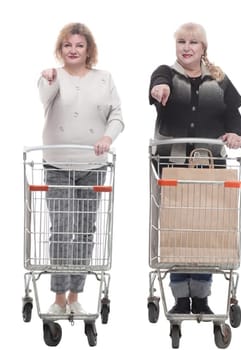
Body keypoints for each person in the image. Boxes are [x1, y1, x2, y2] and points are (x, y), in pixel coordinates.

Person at [149, 22, 241, 314]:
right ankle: (180, 297)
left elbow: (233, 113)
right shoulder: (166, 74)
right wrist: (160, 87)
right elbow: (158, 79)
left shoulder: (219, 79)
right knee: (178, 227)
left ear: (203, 48)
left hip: (209, 163)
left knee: (205, 228)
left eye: (193, 43)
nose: (186, 48)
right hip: (173, 164)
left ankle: (201, 297)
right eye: (181, 42)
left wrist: (234, 133)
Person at [38, 22, 124, 315]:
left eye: (79, 45)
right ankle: (59, 298)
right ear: (60, 49)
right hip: (58, 164)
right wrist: (48, 78)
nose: (73, 50)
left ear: (89, 50)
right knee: (62, 228)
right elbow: (44, 97)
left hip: (92, 165)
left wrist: (106, 137)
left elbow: (117, 116)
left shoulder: (104, 78)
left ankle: (76, 296)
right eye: (67, 45)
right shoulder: (53, 76)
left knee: (86, 229)